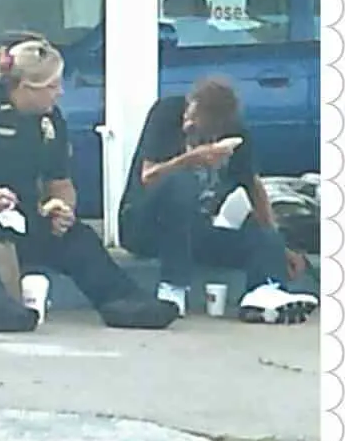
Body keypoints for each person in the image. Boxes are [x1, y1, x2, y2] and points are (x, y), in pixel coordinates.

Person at [0, 34, 181, 334]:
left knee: (80, 239)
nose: (59, 93)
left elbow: (59, 180)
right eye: (51, 86)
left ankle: (124, 303)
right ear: (24, 87)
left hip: (14, 213)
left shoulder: (49, 122)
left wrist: (63, 210)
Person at [118, 76, 318, 323]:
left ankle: (263, 294)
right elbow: (148, 177)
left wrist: (277, 247)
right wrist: (191, 159)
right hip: (143, 225)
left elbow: (253, 188)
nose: (187, 125)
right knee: (182, 182)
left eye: (196, 126)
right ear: (189, 103)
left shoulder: (237, 135)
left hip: (193, 231)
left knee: (263, 236)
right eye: (188, 117)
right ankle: (173, 289)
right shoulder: (166, 112)